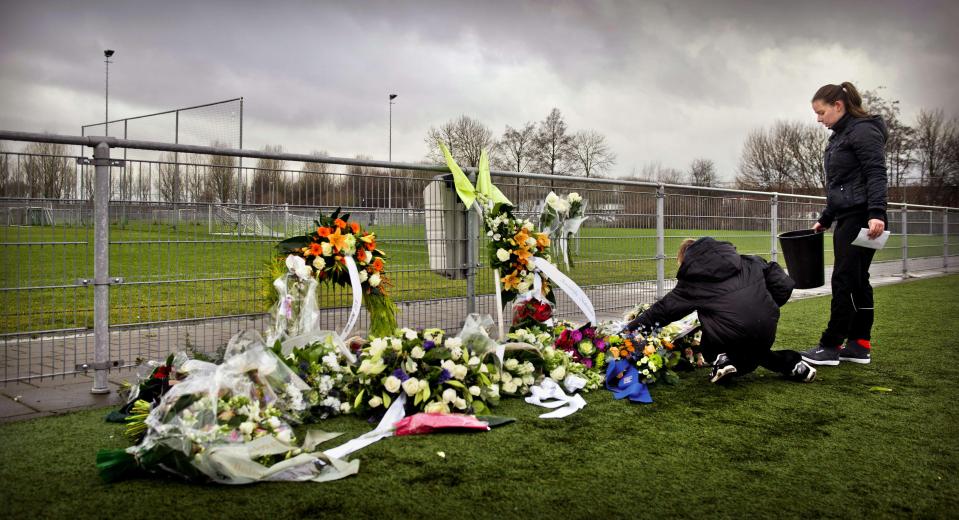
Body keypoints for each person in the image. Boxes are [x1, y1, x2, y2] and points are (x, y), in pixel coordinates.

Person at [625, 237, 816, 384]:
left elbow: (662, 311)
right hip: (766, 328)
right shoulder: (750, 261)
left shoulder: (693, 280)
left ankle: (722, 359)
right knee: (753, 350)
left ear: (687, 260)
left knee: (714, 338)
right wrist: (768, 305)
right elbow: (783, 283)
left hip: (728, 337)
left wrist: (629, 331)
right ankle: (792, 364)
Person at [801, 82, 888, 366]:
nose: (818, 119)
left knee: (844, 279)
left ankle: (830, 346)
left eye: (821, 112)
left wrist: (877, 212)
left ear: (838, 105)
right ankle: (859, 345)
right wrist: (826, 218)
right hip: (850, 216)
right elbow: (841, 184)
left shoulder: (862, 131)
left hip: (861, 218)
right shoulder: (840, 135)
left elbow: (875, 173)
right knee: (858, 279)